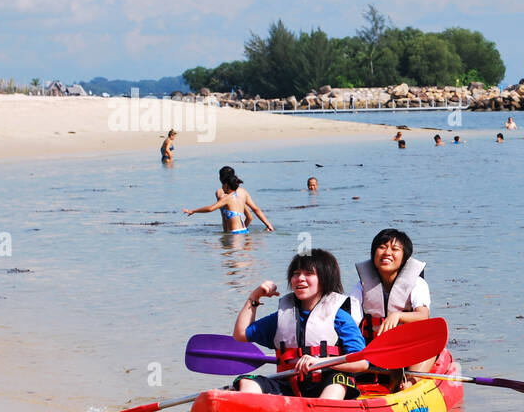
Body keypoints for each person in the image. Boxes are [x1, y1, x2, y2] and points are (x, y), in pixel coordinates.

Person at [231, 250, 367, 400]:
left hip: (327, 383)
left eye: (308, 274)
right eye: (296, 273)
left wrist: (321, 362)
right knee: (247, 381)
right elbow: (241, 334)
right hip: (289, 385)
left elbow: (361, 363)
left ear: (325, 279)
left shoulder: (339, 317)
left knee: (339, 382)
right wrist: (255, 297)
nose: (300, 278)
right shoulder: (283, 316)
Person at [351, 228, 435, 390]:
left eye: (395, 249)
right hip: (373, 350)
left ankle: (410, 382)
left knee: (431, 345)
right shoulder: (360, 287)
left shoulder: (417, 284)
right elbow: (353, 320)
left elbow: (423, 315)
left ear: (404, 258)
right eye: (382, 247)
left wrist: (397, 316)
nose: (387, 252)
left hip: (407, 349)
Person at [184, 167, 275, 233]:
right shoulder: (243, 193)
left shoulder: (222, 194)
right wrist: (268, 225)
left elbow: (211, 209)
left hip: (232, 233)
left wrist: (193, 211)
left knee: (229, 258)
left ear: (222, 180)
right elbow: (251, 215)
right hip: (244, 231)